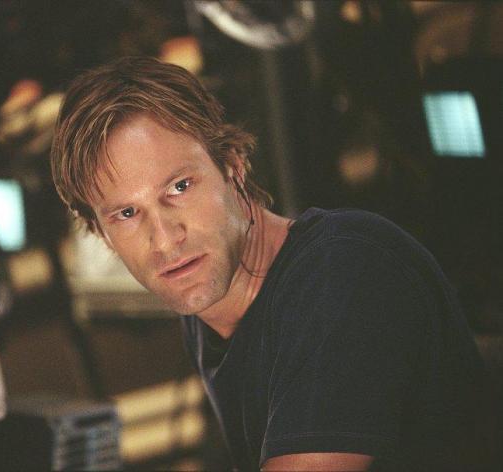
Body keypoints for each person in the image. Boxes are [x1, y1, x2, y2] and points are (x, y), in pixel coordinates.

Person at [50, 56, 497, 470]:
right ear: (100, 232)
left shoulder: (342, 271)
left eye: (180, 187)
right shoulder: (206, 303)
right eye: (127, 213)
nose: (165, 239)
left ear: (233, 166)